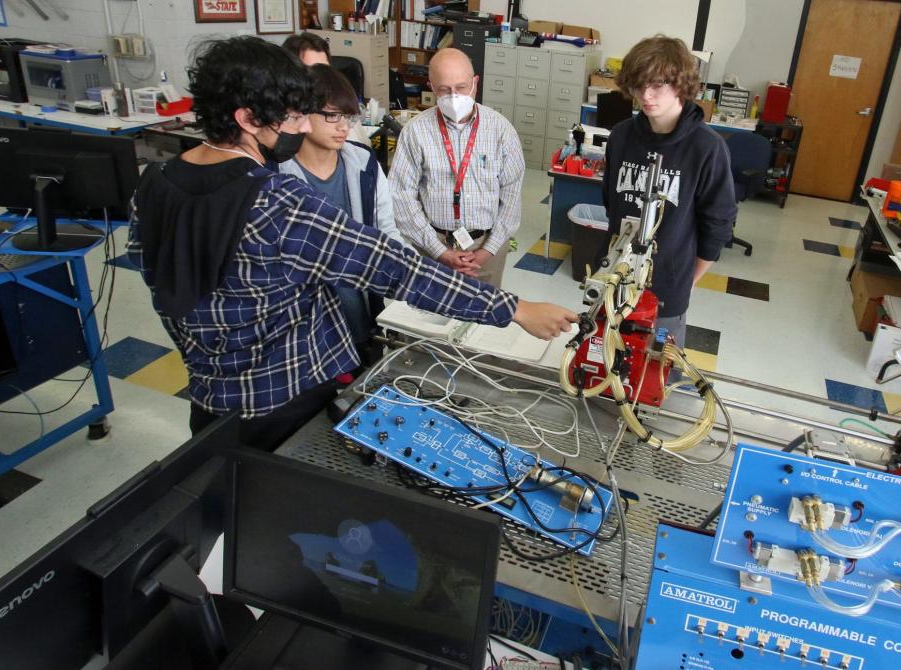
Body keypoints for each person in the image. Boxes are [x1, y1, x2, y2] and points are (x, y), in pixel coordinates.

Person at [127, 36, 576, 450]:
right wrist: (514, 309)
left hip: (209, 401)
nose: (302, 127)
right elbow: (395, 268)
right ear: (247, 119)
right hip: (287, 404)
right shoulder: (275, 201)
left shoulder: (154, 187)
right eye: (291, 116)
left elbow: (163, 291)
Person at [601, 35, 737, 351]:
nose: (645, 96)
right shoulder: (621, 136)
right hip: (617, 278)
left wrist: (685, 281)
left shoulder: (707, 148)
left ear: (680, 83)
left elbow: (718, 227)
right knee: (614, 358)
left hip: (667, 291)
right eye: (637, 86)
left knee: (660, 361)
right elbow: (611, 201)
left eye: (658, 85)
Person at [272, 64, 401, 367]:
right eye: (331, 116)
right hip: (306, 329)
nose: (343, 126)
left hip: (363, 308)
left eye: (348, 116)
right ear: (301, 113)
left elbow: (387, 233)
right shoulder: (275, 175)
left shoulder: (363, 162)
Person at [390, 48, 524, 288]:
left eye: (461, 87)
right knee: (432, 316)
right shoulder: (415, 132)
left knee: (483, 317)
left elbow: (511, 198)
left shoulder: (501, 130)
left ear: (475, 83)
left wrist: (488, 251)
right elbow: (401, 197)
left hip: (486, 245)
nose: (454, 96)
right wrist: (438, 251)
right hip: (433, 245)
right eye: (444, 89)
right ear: (431, 87)